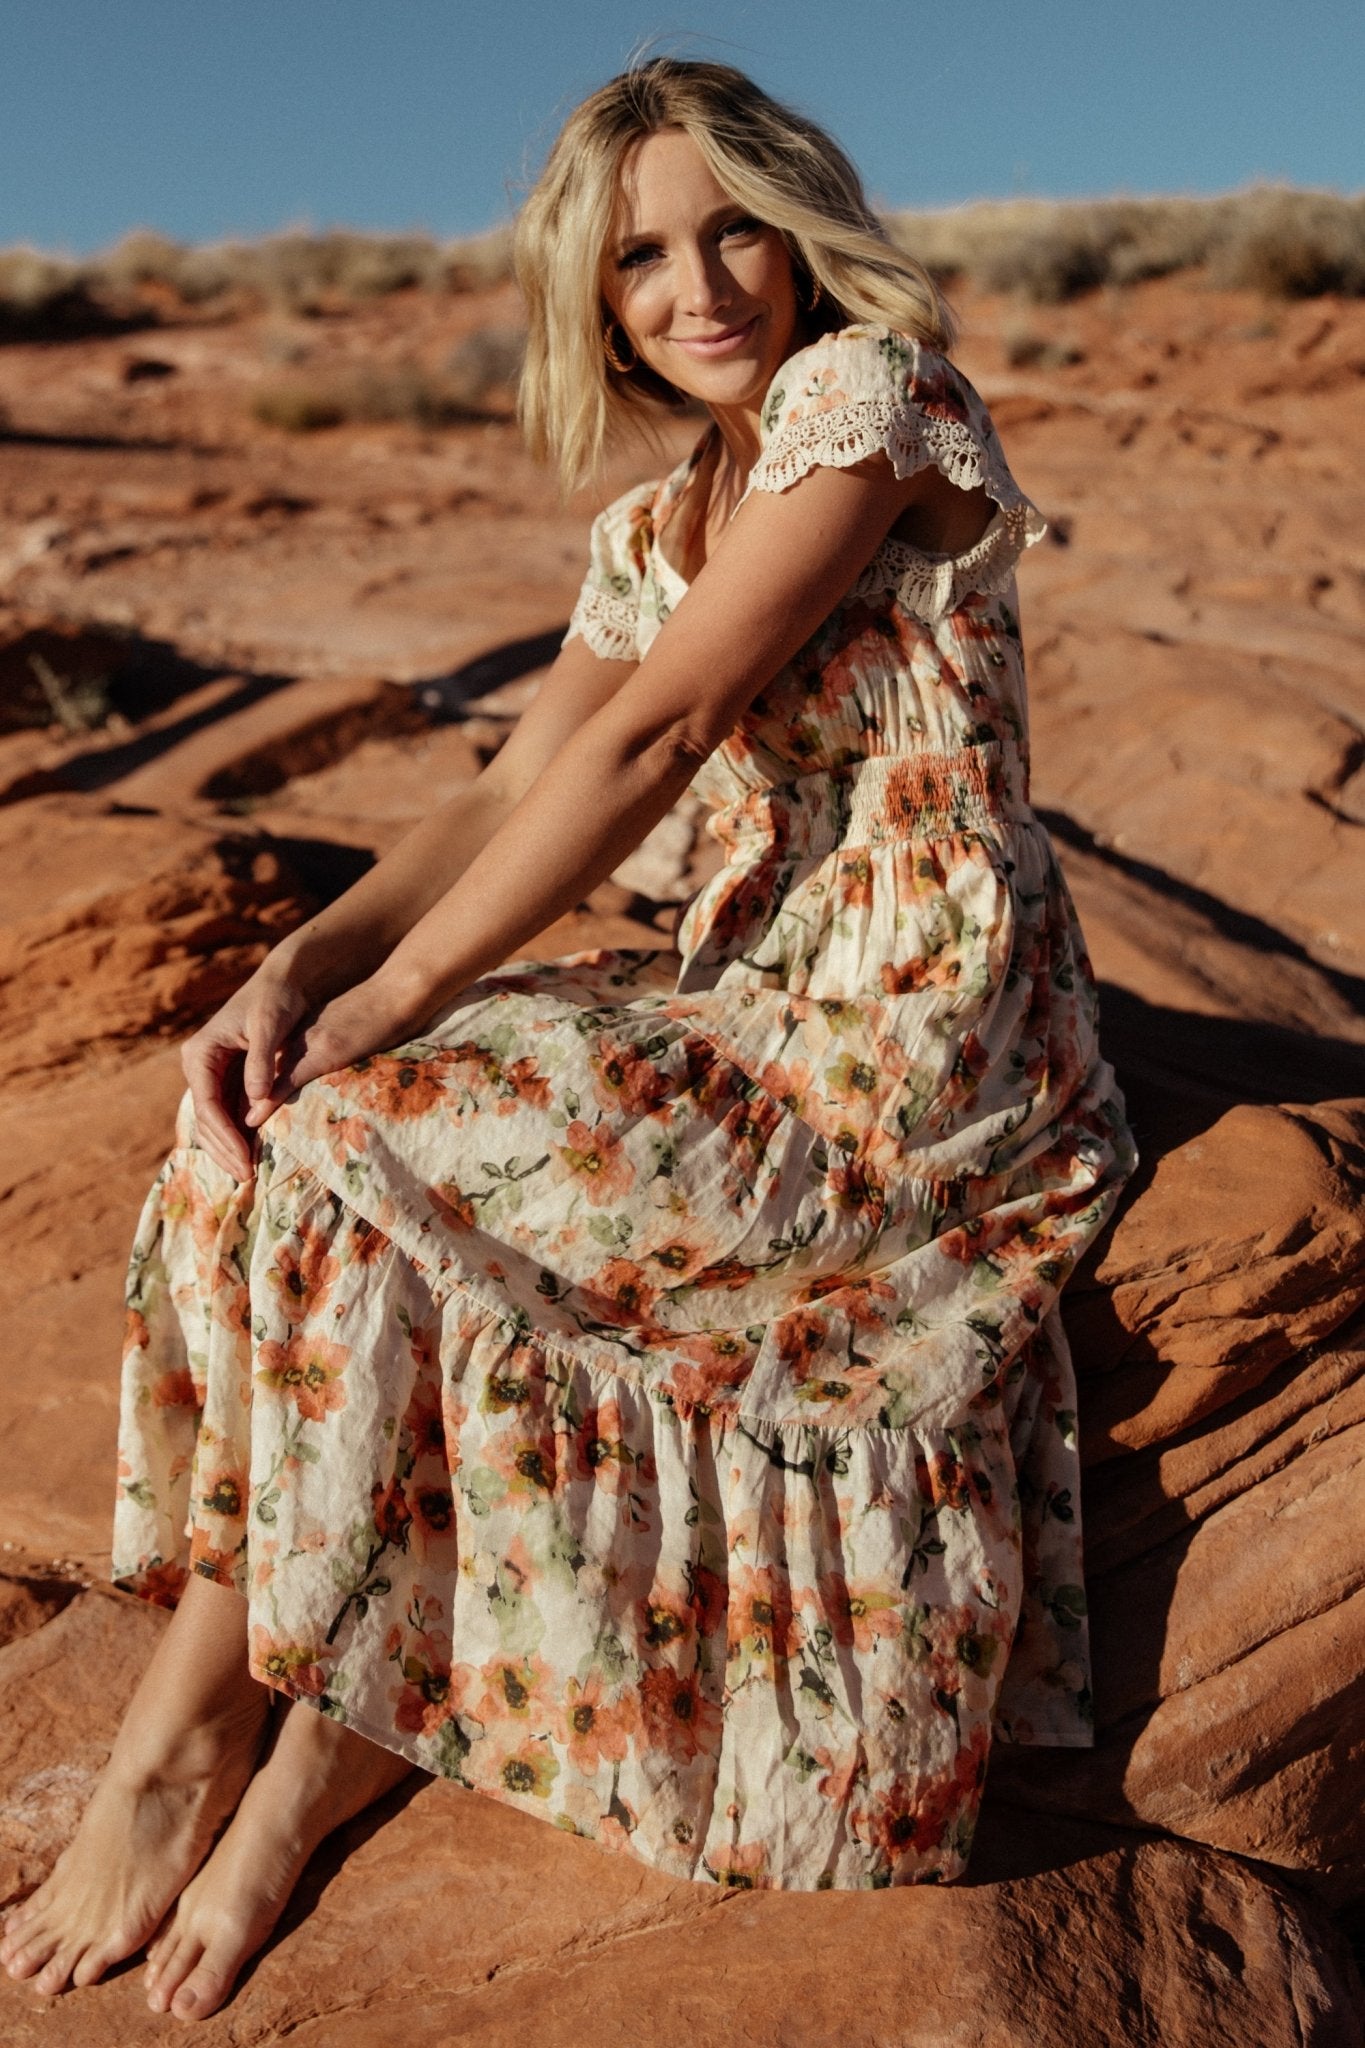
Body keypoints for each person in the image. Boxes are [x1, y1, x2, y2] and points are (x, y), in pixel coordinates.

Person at [1, 54, 1135, 2021]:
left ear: (802, 226)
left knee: (362, 1135)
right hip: (745, 991)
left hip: (914, 1050)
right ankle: (280, 1684)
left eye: (728, 229)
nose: (694, 285)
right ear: (589, 298)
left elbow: (652, 736)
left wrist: (401, 996)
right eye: (636, 260)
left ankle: (240, 1760)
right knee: (261, 1116)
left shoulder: (863, 404)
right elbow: (507, 776)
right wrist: (299, 969)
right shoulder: (658, 511)